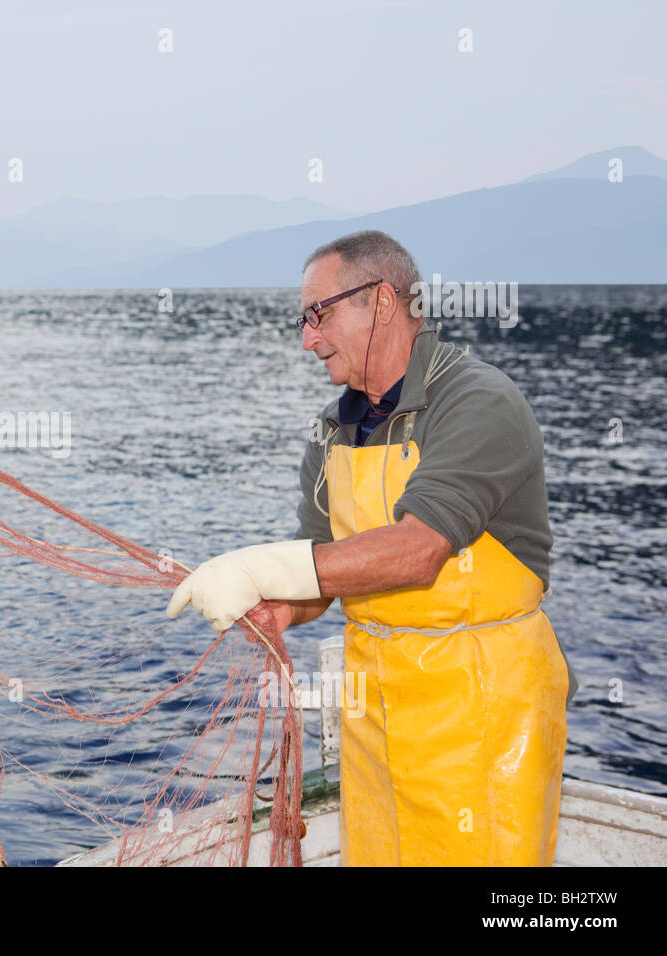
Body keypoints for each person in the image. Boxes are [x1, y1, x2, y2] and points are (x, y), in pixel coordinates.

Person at [165, 230, 572, 866]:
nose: (308, 338)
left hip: (482, 715)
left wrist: (256, 566)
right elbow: (321, 567)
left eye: (318, 314)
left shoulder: (478, 402)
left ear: (382, 301)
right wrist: (282, 606)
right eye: (303, 319)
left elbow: (417, 550)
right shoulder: (333, 430)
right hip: (373, 719)